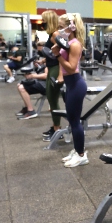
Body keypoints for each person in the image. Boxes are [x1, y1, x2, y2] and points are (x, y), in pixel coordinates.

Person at [51, 13, 88, 168]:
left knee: (75, 122)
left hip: (76, 84)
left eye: (61, 27)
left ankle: (81, 155)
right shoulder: (67, 42)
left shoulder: (74, 44)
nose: (59, 31)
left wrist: (57, 55)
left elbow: (72, 68)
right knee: (72, 121)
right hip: (71, 84)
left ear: (71, 27)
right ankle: (77, 149)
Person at [41, 10, 64, 141]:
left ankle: (57, 130)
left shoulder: (55, 34)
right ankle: (56, 127)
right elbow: (53, 53)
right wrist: (44, 60)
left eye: (43, 20)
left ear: (48, 20)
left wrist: (60, 76)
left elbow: (63, 55)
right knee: (51, 99)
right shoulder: (52, 34)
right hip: (51, 67)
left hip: (56, 69)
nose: (41, 22)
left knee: (53, 99)